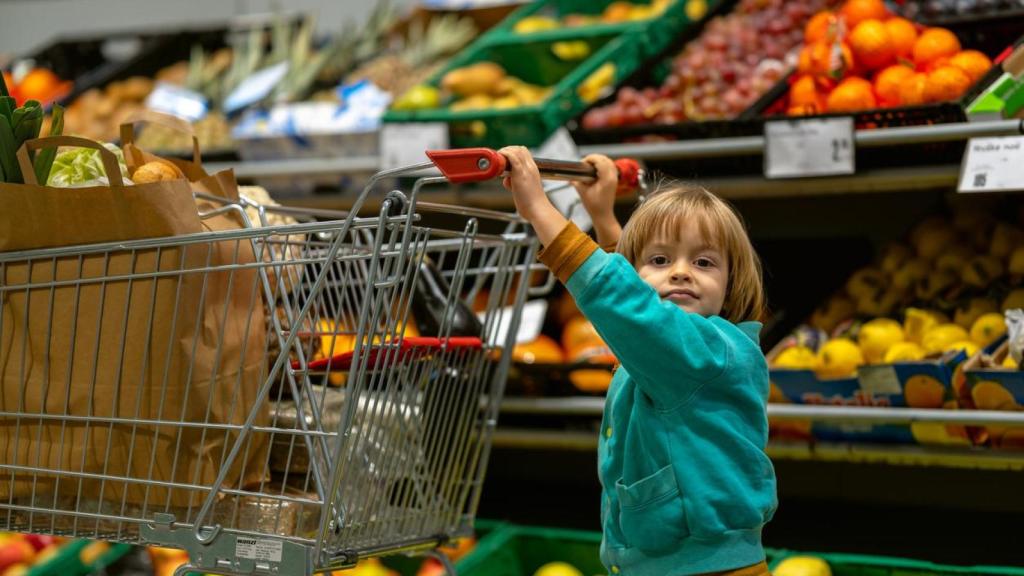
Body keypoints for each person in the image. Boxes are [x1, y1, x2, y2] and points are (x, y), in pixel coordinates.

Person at [500, 147, 777, 576]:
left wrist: (539, 208)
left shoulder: (705, 350)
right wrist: (603, 213)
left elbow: (628, 302)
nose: (680, 272)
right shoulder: (688, 344)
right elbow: (641, 297)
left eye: (704, 262)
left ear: (732, 281)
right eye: (662, 260)